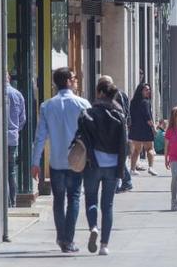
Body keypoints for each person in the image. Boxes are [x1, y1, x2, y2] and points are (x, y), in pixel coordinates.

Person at [32, 68, 91, 253]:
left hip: (56, 161)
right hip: (77, 160)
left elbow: (40, 136)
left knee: (58, 199)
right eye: (74, 78)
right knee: (74, 198)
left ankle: (61, 236)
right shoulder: (82, 104)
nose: (76, 80)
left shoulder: (47, 106)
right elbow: (91, 133)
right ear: (67, 81)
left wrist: (35, 161)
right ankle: (68, 239)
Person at [78, 79, 127, 256]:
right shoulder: (120, 116)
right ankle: (104, 245)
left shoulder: (89, 113)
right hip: (113, 166)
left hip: (93, 163)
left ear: (99, 93)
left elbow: (82, 137)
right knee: (108, 206)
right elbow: (123, 144)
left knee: (91, 199)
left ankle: (93, 227)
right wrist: (122, 169)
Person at [5, 73, 26, 208]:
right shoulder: (17, 94)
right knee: (11, 170)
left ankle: (4, 200)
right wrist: (15, 130)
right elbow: (22, 118)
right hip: (12, 136)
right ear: (9, 78)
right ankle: (12, 201)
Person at [129, 83, 158, 176]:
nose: (148, 91)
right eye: (146, 90)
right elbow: (148, 116)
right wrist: (153, 128)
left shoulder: (133, 102)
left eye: (149, 89)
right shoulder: (145, 102)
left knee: (136, 150)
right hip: (145, 129)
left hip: (135, 128)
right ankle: (151, 167)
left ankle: (132, 169)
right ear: (141, 91)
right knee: (150, 148)